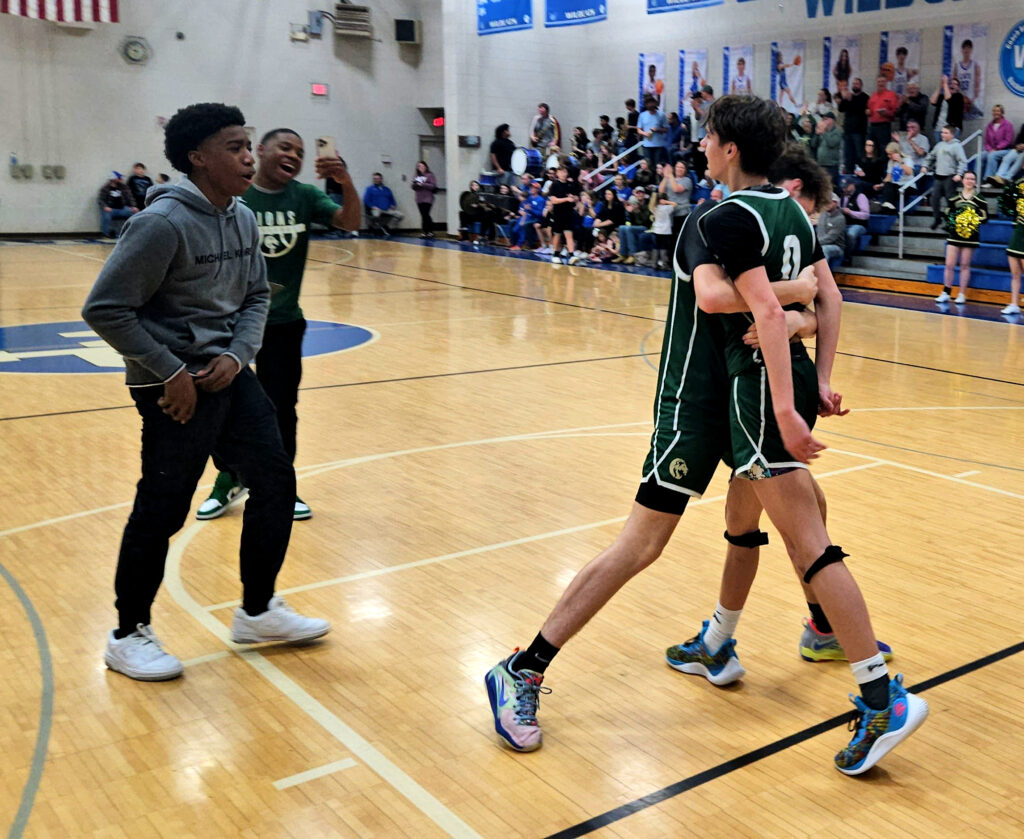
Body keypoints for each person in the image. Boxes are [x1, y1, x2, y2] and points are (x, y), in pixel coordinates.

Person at [684, 100, 926, 775]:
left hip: (763, 390)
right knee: (743, 513)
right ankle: (719, 639)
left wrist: (789, 409)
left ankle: (881, 697)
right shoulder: (792, 211)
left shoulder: (732, 216)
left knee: (810, 543)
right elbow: (831, 300)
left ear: (730, 148)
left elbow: (761, 308)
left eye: (708, 137)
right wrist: (819, 379)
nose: (701, 145)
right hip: (784, 382)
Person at [82, 102, 330, 682]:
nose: (249, 157)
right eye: (235, 147)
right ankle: (127, 633)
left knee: (275, 481)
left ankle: (258, 609)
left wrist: (235, 354)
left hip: (227, 374)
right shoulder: (160, 224)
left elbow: (256, 297)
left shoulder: (242, 218)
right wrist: (170, 372)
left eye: (249, 146)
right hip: (173, 387)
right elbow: (106, 308)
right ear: (198, 159)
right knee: (163, 509)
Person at [197, 126, 360, 522]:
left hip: (284, 323)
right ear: (262, 150)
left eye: (300, 152)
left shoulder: (305, 196)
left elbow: (349, 220)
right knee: (219, 405)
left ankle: (281, 485)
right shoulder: (238, 196)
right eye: (285, 147)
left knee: (282, 409)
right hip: (230, 325)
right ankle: (230, 478)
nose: (294, 155)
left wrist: (345, 181)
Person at [935, 170, 989, 304]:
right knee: (949, 264)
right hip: (954, 234)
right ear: (963, 180)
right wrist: (956, 220)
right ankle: (946, 292)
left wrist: (970, 219)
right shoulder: (954, 197)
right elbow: (948, 213)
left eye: (972, 179)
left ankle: (961, 294)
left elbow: (985, 217)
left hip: (970, 235)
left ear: (975, 182)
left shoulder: (979, 199)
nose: (970, 181)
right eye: (967, 178)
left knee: (965, 265)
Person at [921, 125, 967, 230]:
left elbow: (963, 161)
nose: (942, 134)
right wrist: (925, 165)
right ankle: (937, 218)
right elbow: (930, 156)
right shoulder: (939, 145)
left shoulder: (956, 146)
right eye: (942, 132)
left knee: (950, 200)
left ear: (952, 134)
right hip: (939, 176)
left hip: (950, 177)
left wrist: (959, 174)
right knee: (934, 199)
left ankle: (950, 222)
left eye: (945, 133)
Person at [547, 164, 580, 264]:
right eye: (561, 172)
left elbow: (577, 198)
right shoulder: (555, 185)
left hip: (569, 213)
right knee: (557, 234)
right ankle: (556, 254)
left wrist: (574, 198)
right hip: (558, 213)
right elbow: (553, 200)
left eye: (565, 172)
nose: (563, 174)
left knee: (569, 234)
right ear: (557, 173)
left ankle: (571, 255)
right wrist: (566, 199)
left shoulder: (570, 185)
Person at [1000, 176, 1024, 314]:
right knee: (1015, 272)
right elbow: (1006, 201)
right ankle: (1014, 303)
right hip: (1018, 231)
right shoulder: (1018, 185)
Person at [837, 77, 869, 173]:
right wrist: (844, 98)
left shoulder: (865, 97)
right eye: (853, 84)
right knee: (848, 154)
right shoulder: (848, 96)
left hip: (859, 131)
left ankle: (860, 173)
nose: (855, 85)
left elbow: (860, 109)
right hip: (848, 130)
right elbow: (841, 109)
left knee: (859, 154)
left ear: (861, 86)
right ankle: (849, 173)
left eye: (857, 84)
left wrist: (851, 100)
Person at [97, 171, 138, 239]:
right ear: (114, 179)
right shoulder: (105, 188)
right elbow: (101, 200)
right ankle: (105, 234)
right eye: (119, 178)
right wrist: (105, 207)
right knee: (106, 216)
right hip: (110, 209)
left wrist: (133, 206)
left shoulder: (124, 187)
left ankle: (134, 232)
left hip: (122, 208)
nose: (121, 180)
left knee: (136, 214)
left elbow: (130, 198)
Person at [659, 159, 692, 239]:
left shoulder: (687, 180)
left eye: (682, 168)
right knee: (671, 238)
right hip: (670, 212)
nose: (679, 169)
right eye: (678, 167)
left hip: (682, 211)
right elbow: (661, 190)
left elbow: (676, 189)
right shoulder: (670, 178)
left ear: (685, 170)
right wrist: (666, 176)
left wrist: (670, 175)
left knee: (680, 236)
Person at [982, 106, 1015, 185]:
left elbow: (1008, 140)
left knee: (992, 155)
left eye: (998, 111)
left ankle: (988, 180)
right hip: (992, 150)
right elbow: (986, 142)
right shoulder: (989, 126)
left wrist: (996, 148)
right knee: (980, 156)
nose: (996, 113)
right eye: (994, 111)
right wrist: (989, 149)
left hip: (1006, 150)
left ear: (1002, 113)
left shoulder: (1007, 124)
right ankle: (975, 180)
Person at [839, 176, 870, 262]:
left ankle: (847, 257)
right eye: (843, 187)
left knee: (850, 234)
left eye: (846, 186)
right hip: (844, 224)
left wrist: (851, 212)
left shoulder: (860, 196)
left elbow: (866, 215)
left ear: (852, 185)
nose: (844, 189)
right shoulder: (841, 197)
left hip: (859, 225)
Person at [867, 75, 900, 152]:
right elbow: (870, 110)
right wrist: (868, 112)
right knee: (872, 148)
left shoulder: (891, 94)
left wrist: (886, 113)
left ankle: (884, 164)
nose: (880, 83)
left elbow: (896, 112)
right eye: (879, 81)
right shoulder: (873, 95)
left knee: (884, 148)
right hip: (872, 126)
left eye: (882, 81)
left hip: (884, 126)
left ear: (886, 83)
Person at [877, 141, 913, 212]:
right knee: (887, 185)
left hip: (907, 186)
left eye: (890, 154)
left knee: (893, 191)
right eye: (888, 154)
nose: (889, 156)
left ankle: (889, 207)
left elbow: (909, 172)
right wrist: (881, 184)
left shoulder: (907, 159)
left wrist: (900, 161)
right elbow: (889, 177)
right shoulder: (891, 162)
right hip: (895, 185)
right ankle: (889, 206)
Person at [987, 122, 1024, 186]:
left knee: (1021, 157)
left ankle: (1007, 178)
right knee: (1008, 156)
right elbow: (1019, 137)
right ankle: (998, 176)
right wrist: (1017, 145)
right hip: (1020, 149)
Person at [637, 96, 669, 169]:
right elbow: (638, 129)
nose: (650, 105)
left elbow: (666, 129)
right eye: (648, 103)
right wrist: (644, 133)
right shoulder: (642, 115)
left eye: (652, 103)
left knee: (657, 165)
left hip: (658, 144)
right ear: (646, 105)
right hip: (647, 144)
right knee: (647, 164)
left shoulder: (661, 115)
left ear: (655, 104)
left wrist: (657, 130)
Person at [954, 39, 982, 120]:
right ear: (962, 50)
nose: (966, 50)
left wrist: (974, 97)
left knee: (977, 115)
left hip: (971, 99)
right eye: (965, 48)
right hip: (960, 98)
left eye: (968, 48)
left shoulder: (975, 65)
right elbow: (953, 83)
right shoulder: (957, 66)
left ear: (971, 50)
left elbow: (978, 83)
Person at [930, 76, 964, 142]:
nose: (952, 85)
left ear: (958, 88)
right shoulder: (941, 97)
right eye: (950, 83)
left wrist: (945, 84)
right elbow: (932, 101)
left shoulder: (959, 97)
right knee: (940, 150)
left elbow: (949, 99)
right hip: (938, 128)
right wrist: (940, 86)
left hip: (952, 129)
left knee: (949, 149)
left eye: (955, 84)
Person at [817, 192, 847, 264]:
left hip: (836, 247)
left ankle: (821, 274)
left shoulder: (840, 218)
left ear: (835, 203)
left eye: (829, 202)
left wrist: (815, 244)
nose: (826, 204)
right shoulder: (822, 214)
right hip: (820, 243)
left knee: (824, 249)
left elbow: (830, 238)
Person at [411, 160, 437, 239]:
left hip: (428, 198)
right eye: (419, 166)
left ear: (426, 167)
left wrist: (422, 184)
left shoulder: (430, 175)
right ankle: (425, 231)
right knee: (423, 215)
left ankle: (430, 231)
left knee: (426, 214)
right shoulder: (417, 176)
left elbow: (433, 186)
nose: (421, 168)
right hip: (419, 198)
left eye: (422, 166)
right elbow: (413, 187)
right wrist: (415, 184)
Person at [814, 112, 841, 184]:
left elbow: (832, 143)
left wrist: (824, 133)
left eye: (826, 119)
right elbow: (813, 144)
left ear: (832, 120)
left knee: (832, 185)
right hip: (821, 164)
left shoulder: (837, 132)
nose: (824, 121)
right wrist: (816, 134)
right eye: (823, 119)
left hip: (831, 166)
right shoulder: (823, 132)